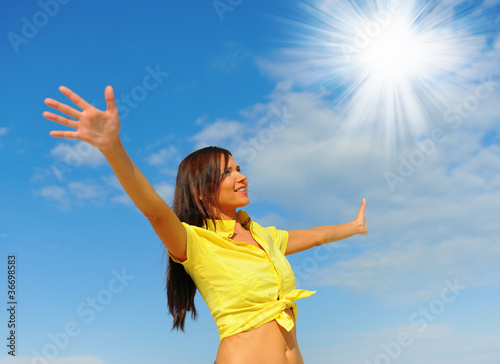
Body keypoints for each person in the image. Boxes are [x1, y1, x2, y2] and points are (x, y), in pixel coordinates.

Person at [43, 85, 367, 364]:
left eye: (238, 168)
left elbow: (315, 235)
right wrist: (112, 147)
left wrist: (354, 227)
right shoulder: (194, 243)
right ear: (200, 191)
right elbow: (155, 211)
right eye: (227, 172)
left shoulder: (264, 236)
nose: (241, 176)